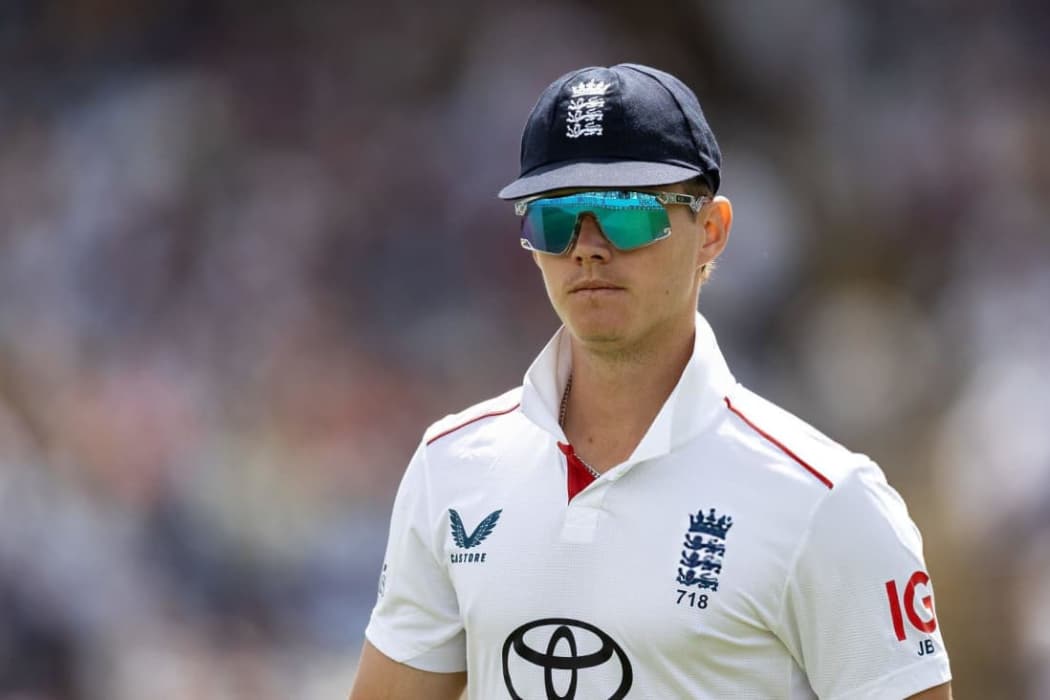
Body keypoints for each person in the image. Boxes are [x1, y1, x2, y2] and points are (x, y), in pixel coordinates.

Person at [349, 63, 952, 699]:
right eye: (554, 219)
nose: (587, 248)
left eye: (627, 213)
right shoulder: (452, 466)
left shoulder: (828, 499)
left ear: (711, 232)